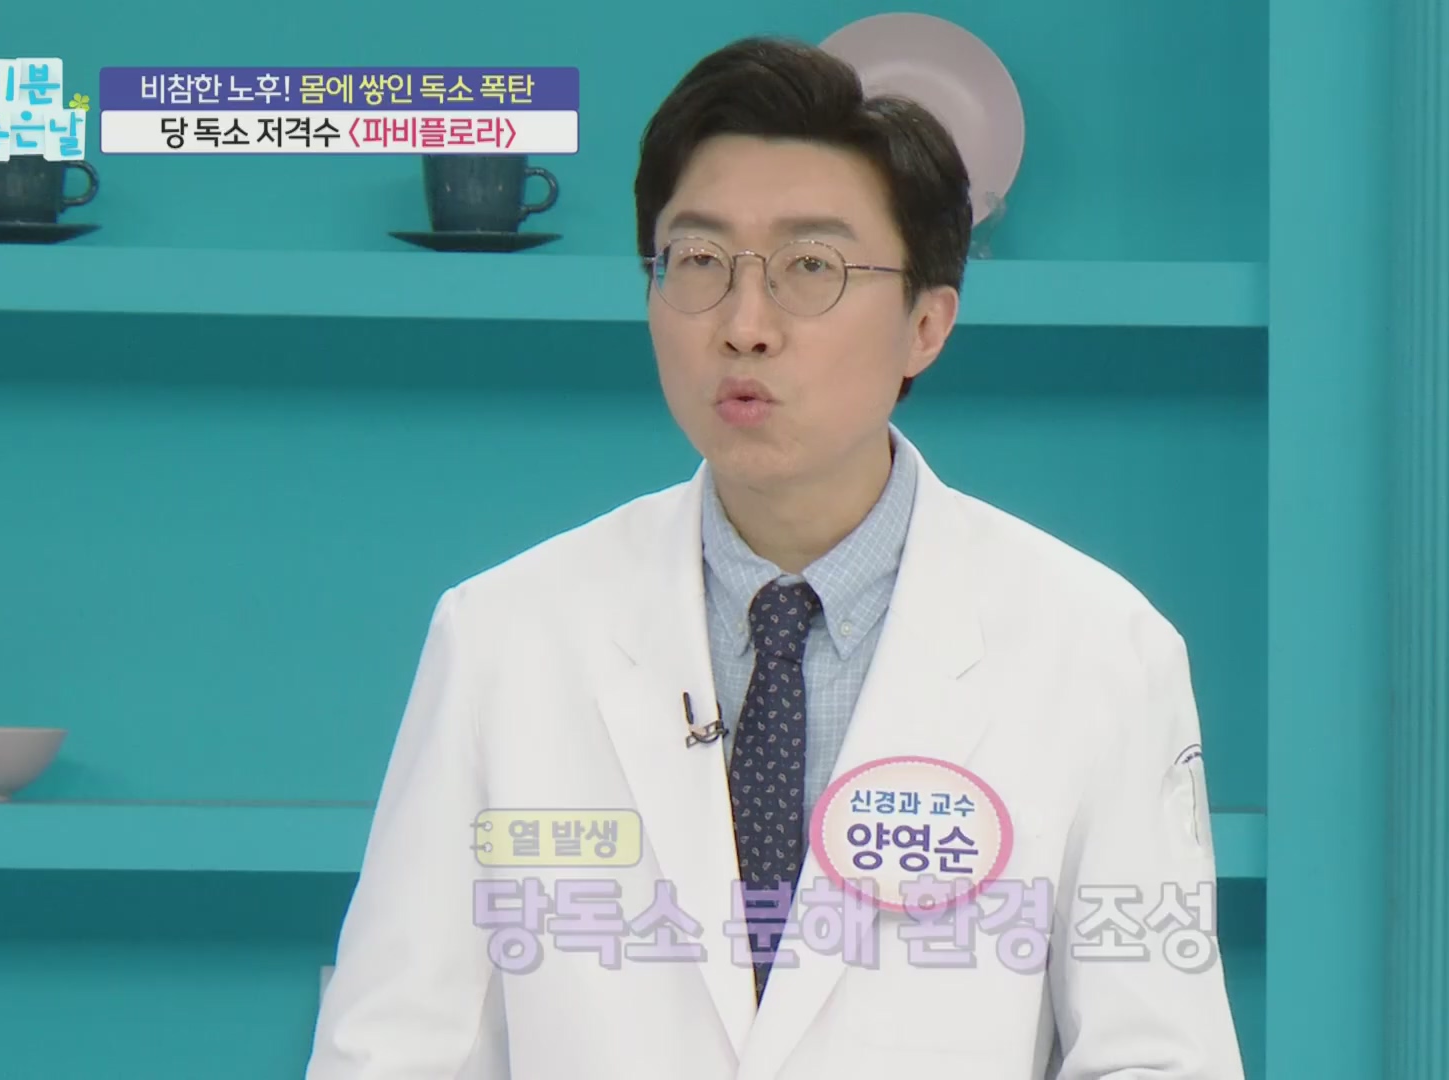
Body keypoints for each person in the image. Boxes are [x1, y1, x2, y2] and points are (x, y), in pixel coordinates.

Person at [306, 34, 1245, 1080]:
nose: (744, 325)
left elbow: (1159, 1058)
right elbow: (392, 1049)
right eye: (700, 262)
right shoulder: (503, 637)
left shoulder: (1101, 651)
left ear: (927, 324)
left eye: (811, 268)